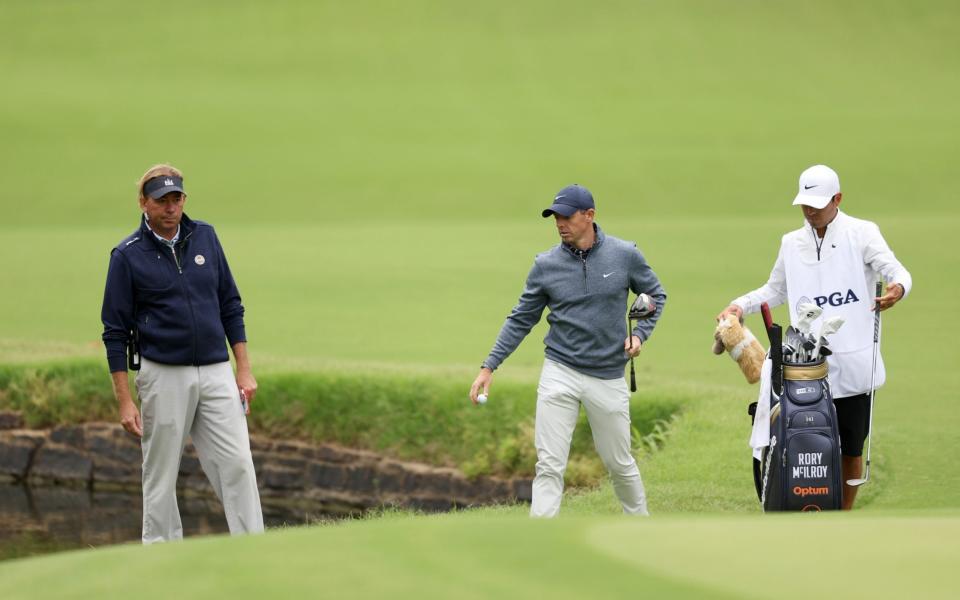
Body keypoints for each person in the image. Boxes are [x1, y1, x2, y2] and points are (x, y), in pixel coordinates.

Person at [717, 164, 911, 510]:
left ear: (837, 199)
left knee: (851, 448)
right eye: (805, 204)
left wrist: (898, 289)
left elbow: (895, 270)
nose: (810, 211)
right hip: (805, 369)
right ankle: (804, 505)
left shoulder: (862, 233)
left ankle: (842, 515)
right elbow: (774, 290)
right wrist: (738, 305)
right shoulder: (791, 243)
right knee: (802, 444)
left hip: (855, 368)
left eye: (817, 204)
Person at [469, 184, 667, 518]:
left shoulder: (624, 254)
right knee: (548, 465)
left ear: (589, 216)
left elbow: (655, 296)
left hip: (607, 374)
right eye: (555, 217)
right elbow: (521, 318)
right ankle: (543, 541)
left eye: (567, 216)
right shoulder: (546, 265)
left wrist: (641, 335)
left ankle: (640, 527)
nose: (560, 223)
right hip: (560, 371)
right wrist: (489, 367)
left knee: (619, 463)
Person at [101, 164, 264, 542]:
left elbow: (230, 305)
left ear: (184, 200)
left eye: (176, 199)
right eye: (162, 201)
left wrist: (244, 369)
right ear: (144, 203)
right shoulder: (127, 255)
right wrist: (125, 402)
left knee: (238, 462)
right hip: (162, 373)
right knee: (160, 472)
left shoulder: (205, 237)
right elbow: (114, 333)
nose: (171, 207)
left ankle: (254, 547)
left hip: (216, 370)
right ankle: (162, 553)